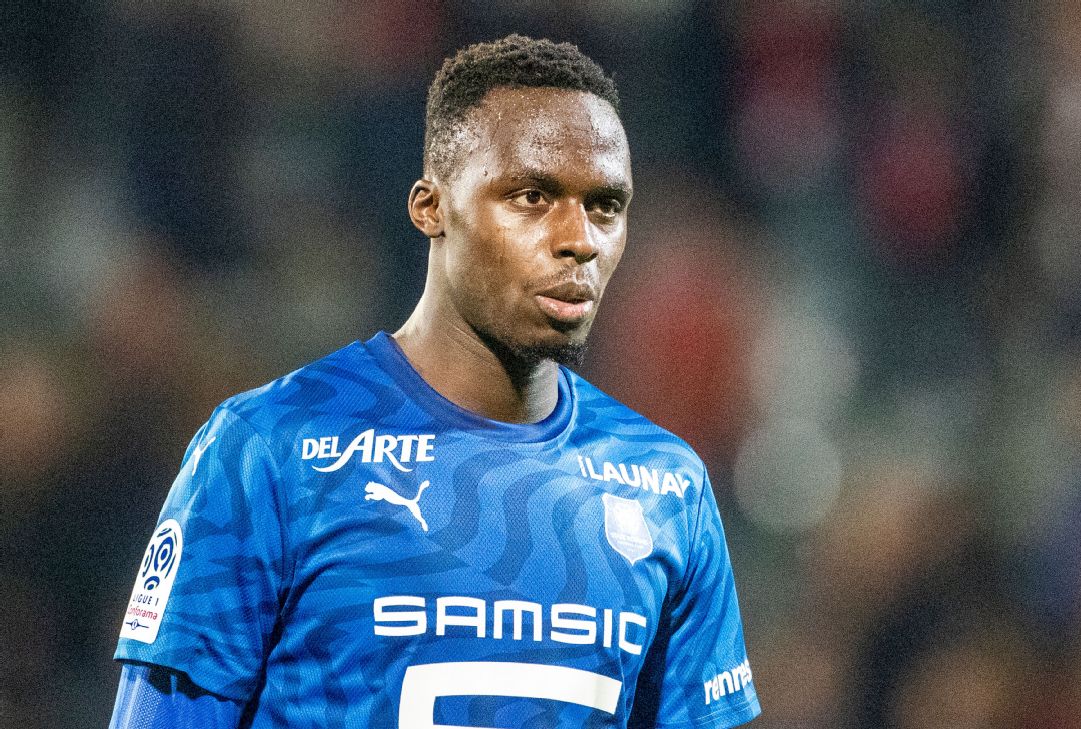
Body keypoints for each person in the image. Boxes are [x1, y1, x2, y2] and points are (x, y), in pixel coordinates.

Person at [108, 35, 760, 729]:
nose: (579, 239)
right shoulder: (270, 451)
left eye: (604, 205)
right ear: (431, 207)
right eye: (533, 196)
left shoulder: (667, 486)